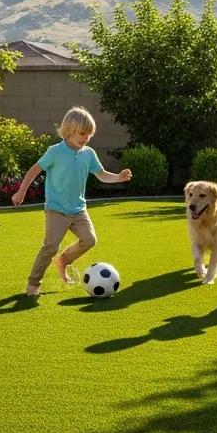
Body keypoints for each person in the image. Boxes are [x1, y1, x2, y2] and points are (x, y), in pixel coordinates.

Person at [12, 106, 132, 297]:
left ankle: (63, 261)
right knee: (50, 247)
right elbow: (34, 170)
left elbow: (101, 175)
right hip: (56, 210)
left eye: (89, 134)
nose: (86, 137)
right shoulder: (55, 152)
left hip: (78, 210)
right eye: (82, 133)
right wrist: (21, 191)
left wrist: (118, 177)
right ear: (68, 131)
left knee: (89, 240)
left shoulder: (88, 153)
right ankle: (34, 283)